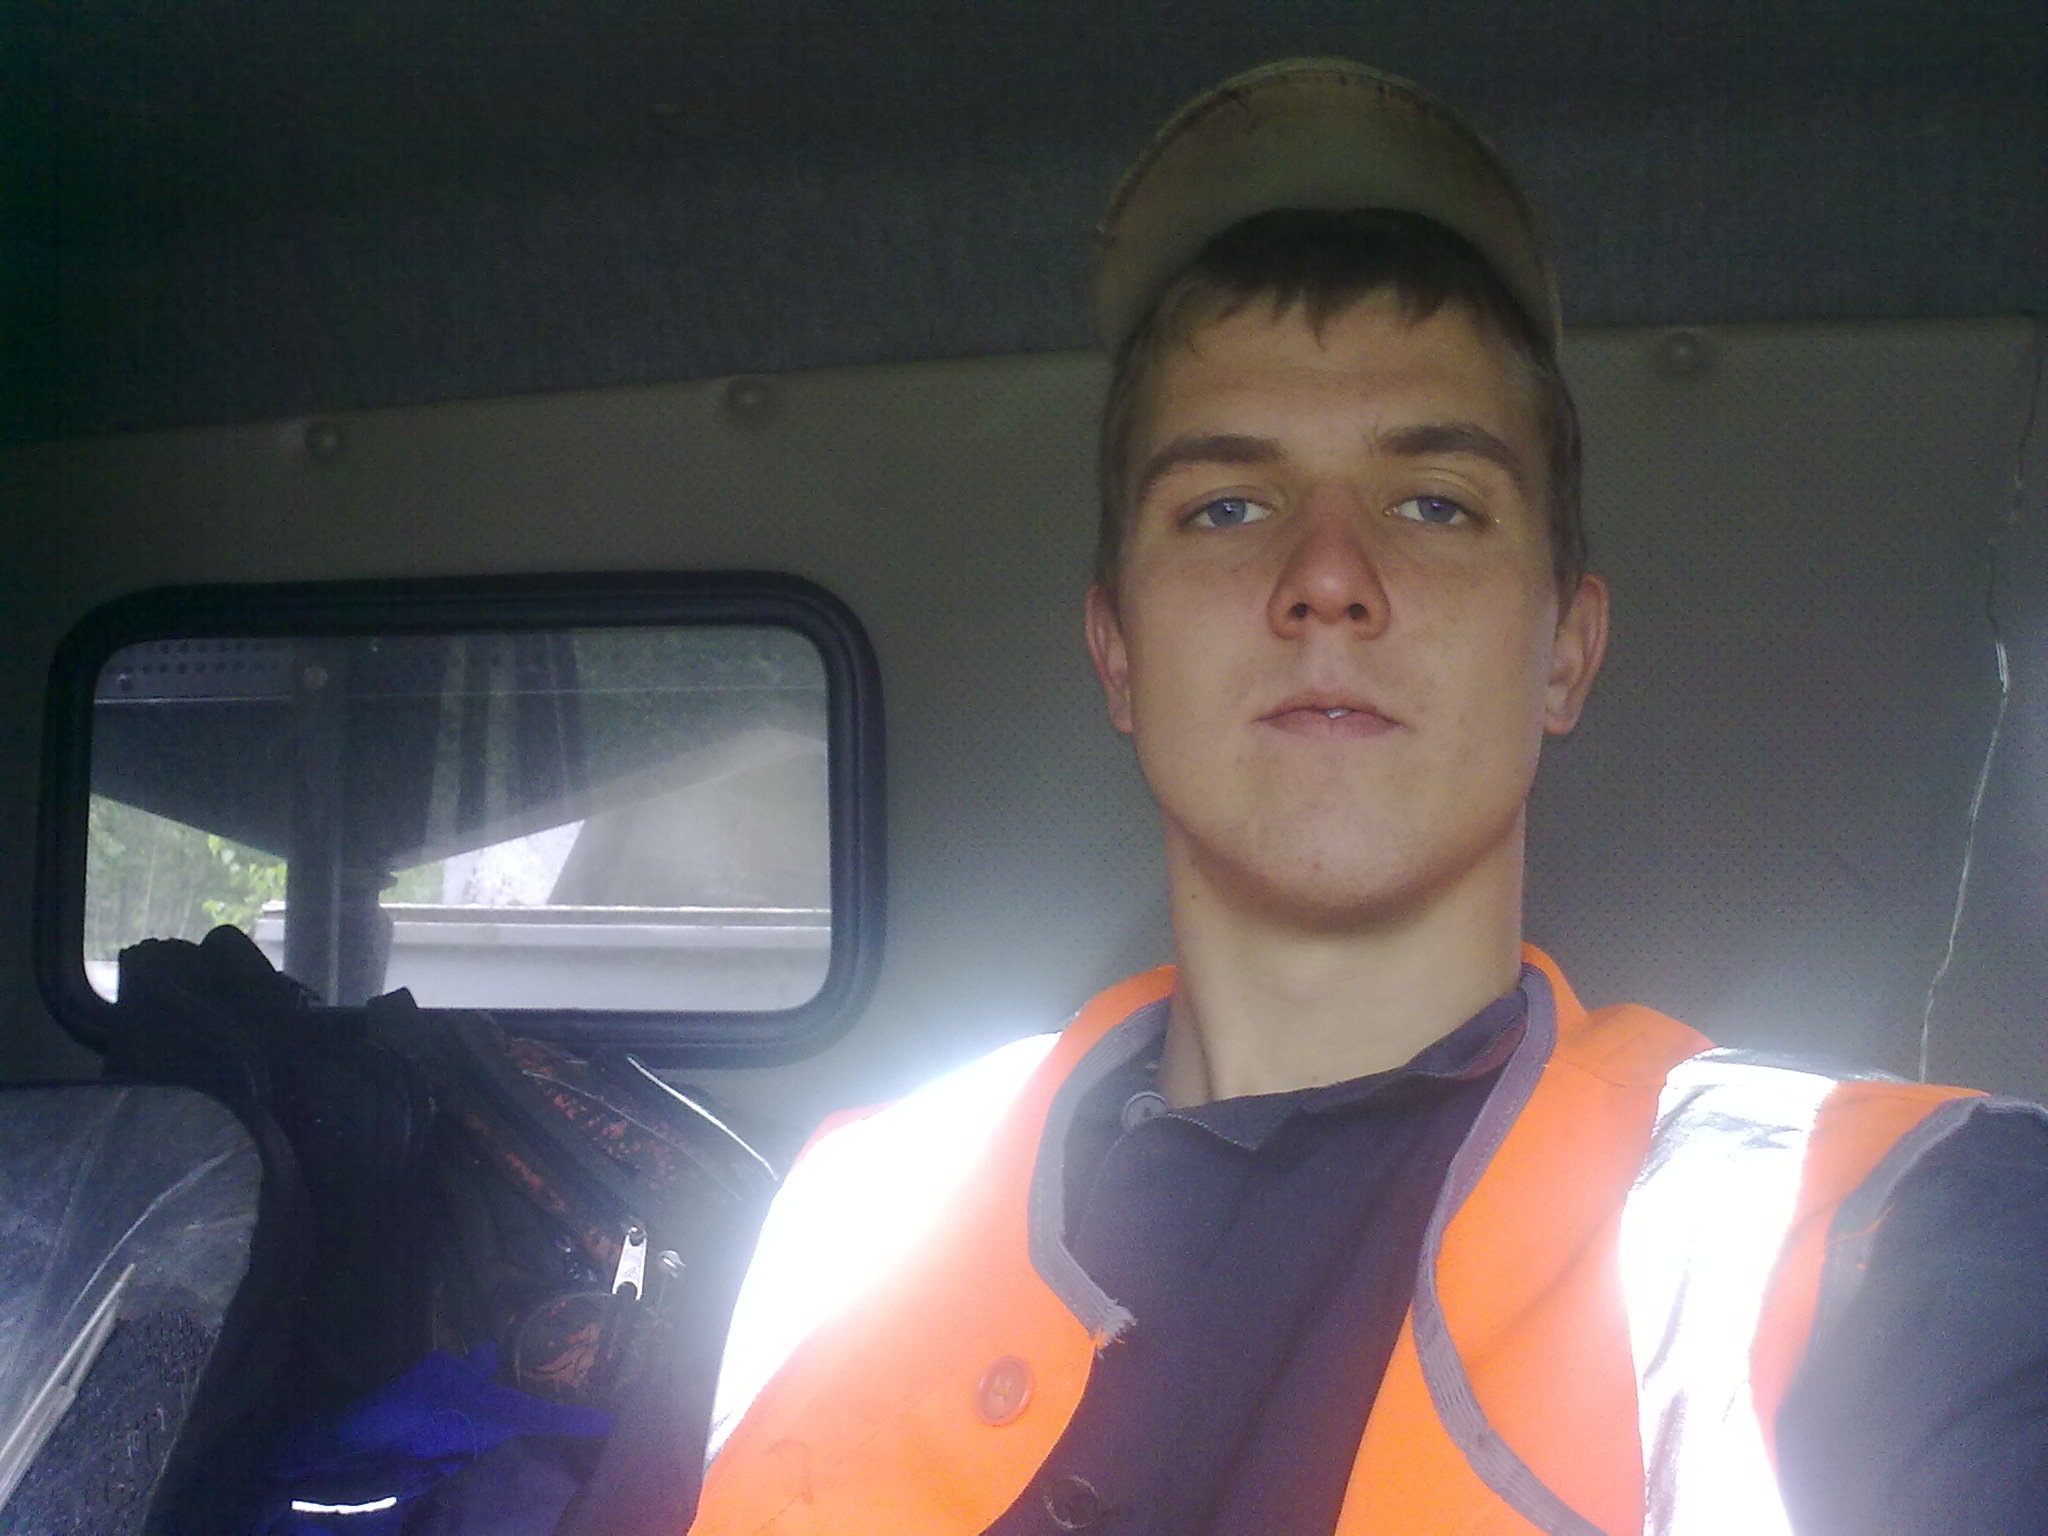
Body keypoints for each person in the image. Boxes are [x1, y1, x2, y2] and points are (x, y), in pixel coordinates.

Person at [684, 59, 2048, 1535]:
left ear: (1566, 651)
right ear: (1117, 651)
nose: (1328, 578)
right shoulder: (839, 1220)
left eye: (1434, 504)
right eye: (1227, 506)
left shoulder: (1893, 1238)